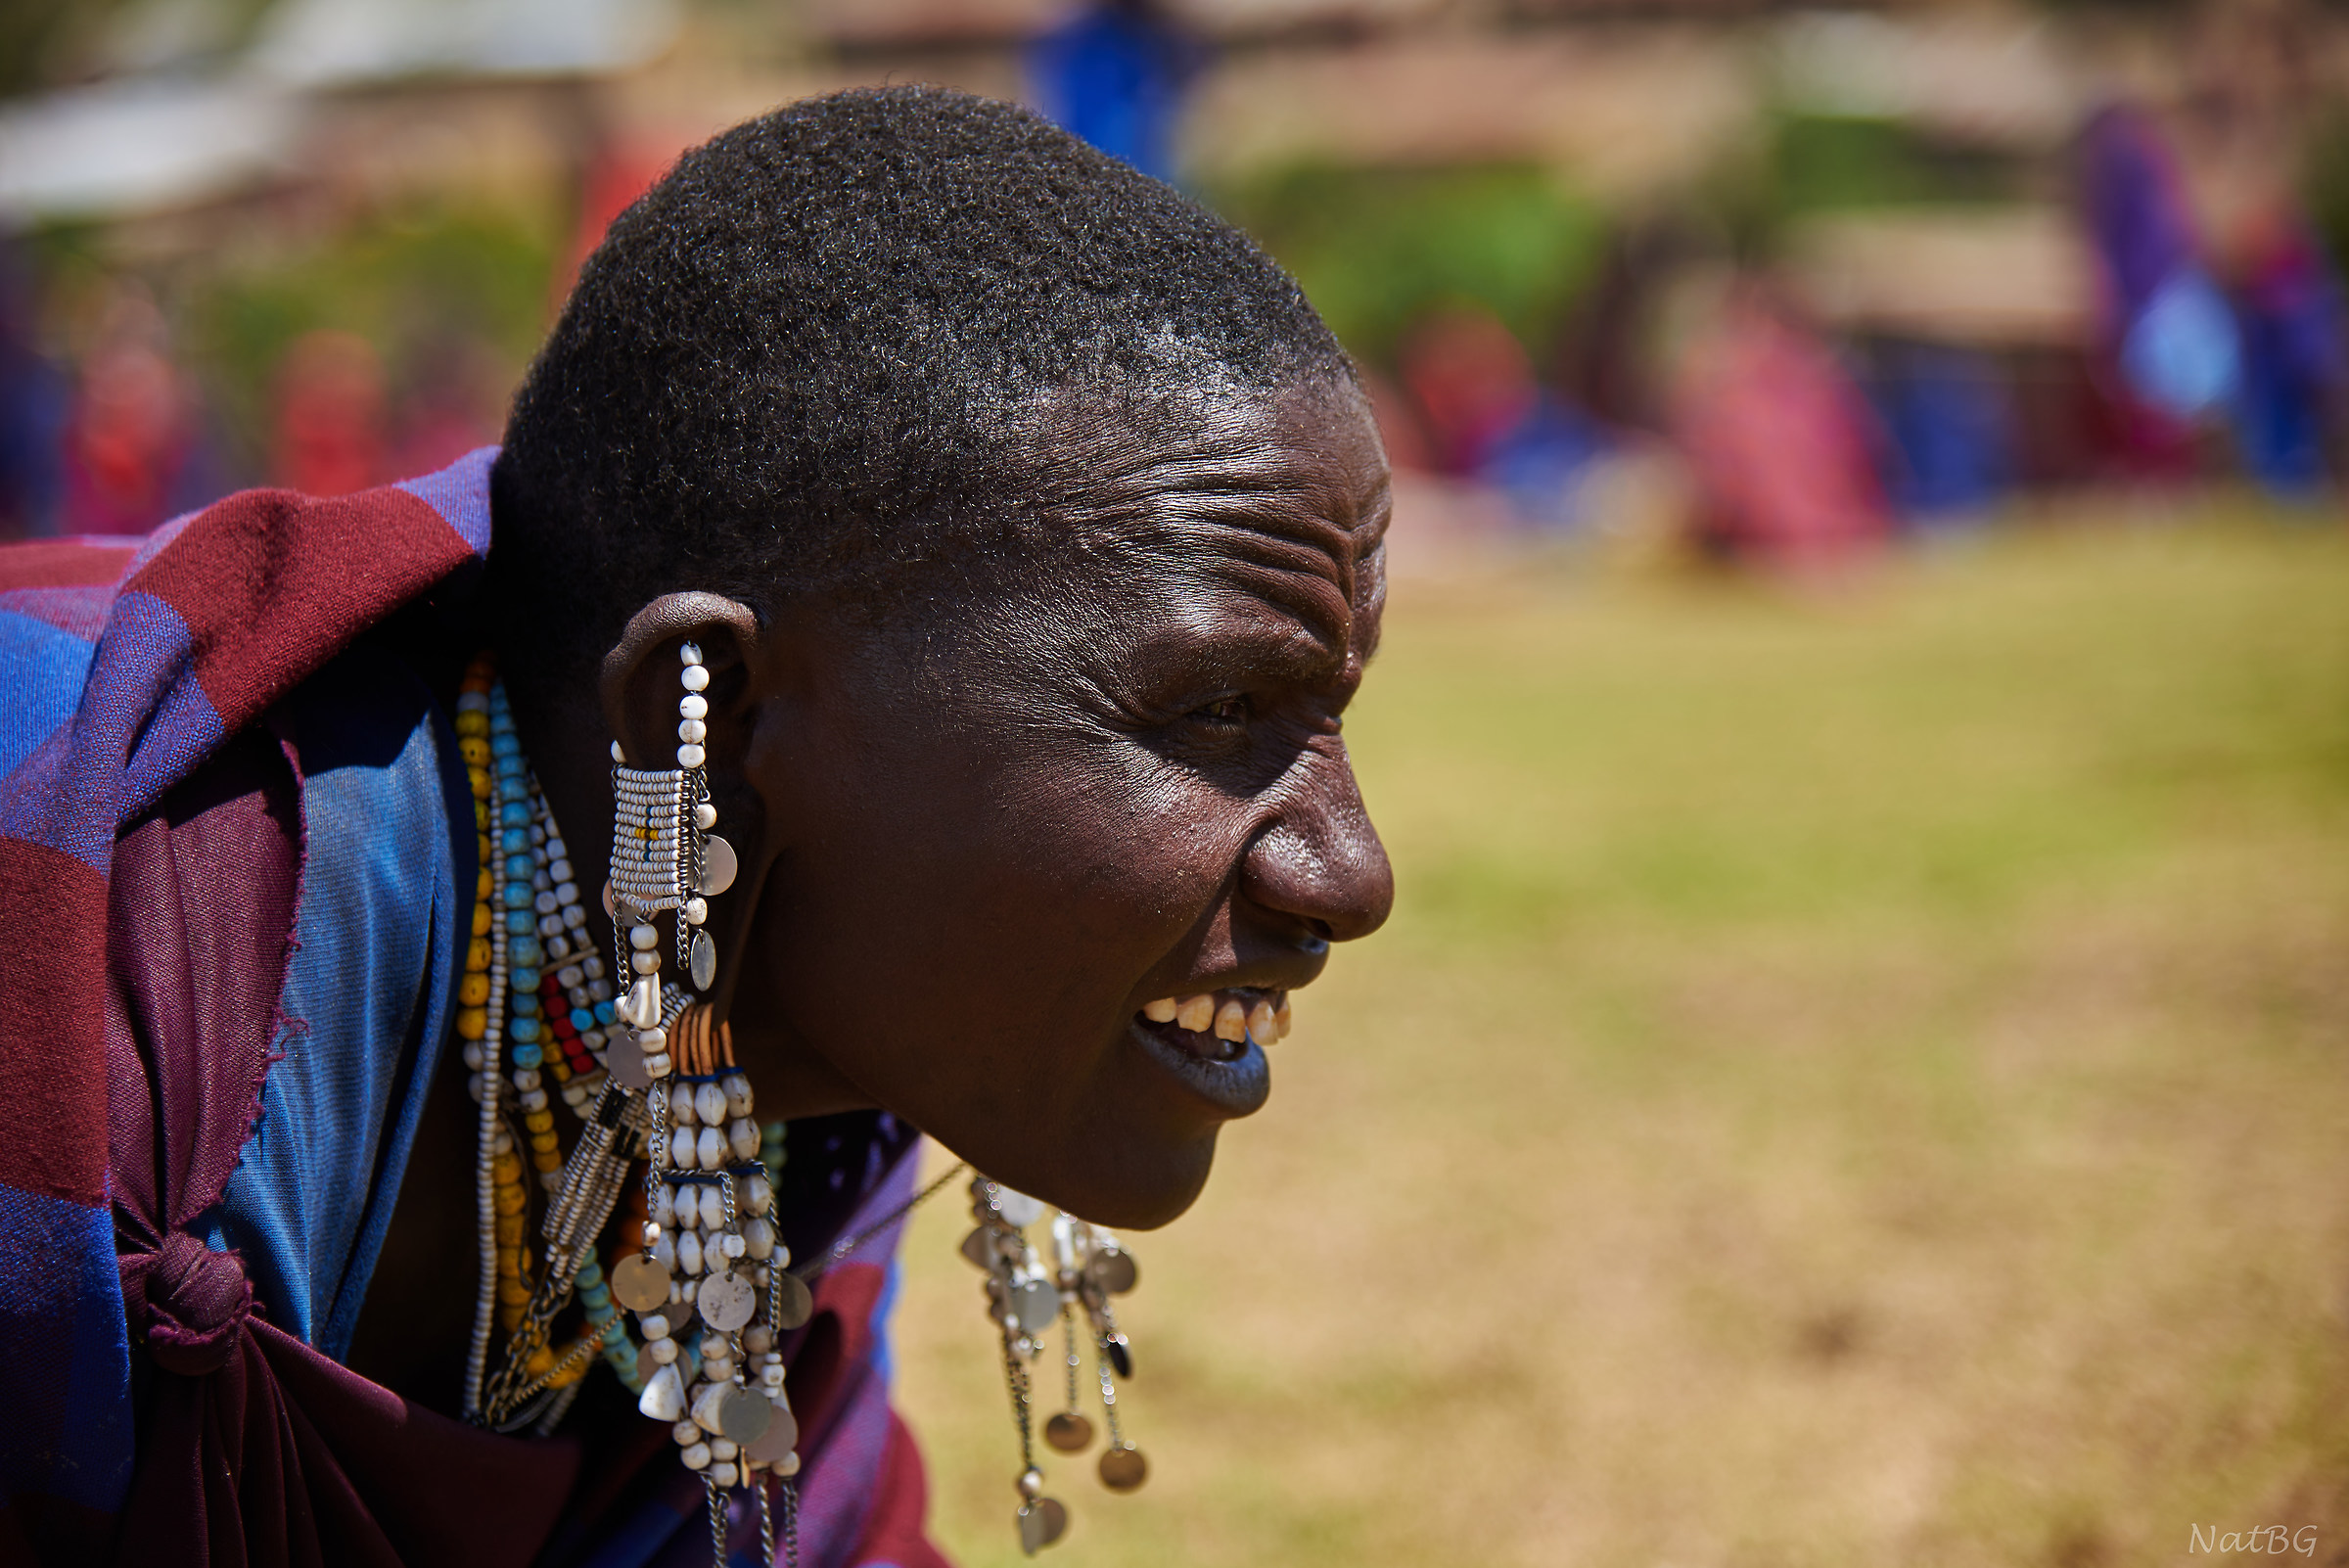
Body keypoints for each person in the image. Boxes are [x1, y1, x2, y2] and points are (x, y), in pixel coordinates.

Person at [0, 86, 1393, 1568]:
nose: (1351, 873)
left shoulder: (781, 1091)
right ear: (709, 712)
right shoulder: (108, 957)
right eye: (1216, 708)